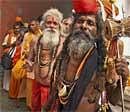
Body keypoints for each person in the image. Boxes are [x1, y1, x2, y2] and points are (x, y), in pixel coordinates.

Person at [44, 0, 129, 112]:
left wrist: (123, 79)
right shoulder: (64, 56)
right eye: (80, 21)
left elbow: (113, 99)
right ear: (73, 26)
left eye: (90, 23)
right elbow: (56, 91)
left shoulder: (104, 61)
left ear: (97, 31)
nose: (84, 26)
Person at [27, 8, 63, 111]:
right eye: (49, 23)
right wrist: (29, 64)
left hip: (53, 88)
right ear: (43, 24)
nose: (51, 26)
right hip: (37, 83)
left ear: (59, 26)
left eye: (55, 23)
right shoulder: (36, 40)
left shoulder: (64, 43)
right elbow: (30, 59)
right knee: (35, 107)